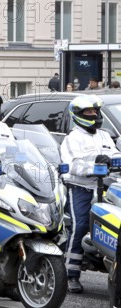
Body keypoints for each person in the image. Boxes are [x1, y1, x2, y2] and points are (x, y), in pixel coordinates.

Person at [61, 95, 121, 294]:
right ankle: (71, 275)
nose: (93, 115)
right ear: (78, 115)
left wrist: (115, 161)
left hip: (106, 187)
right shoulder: (72, 139)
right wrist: (96, 164)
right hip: (80, 189)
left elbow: (113, 156)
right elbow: (72, 166)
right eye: (88, 112)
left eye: (95, 111)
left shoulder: (104, 135)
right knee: (80, 227)